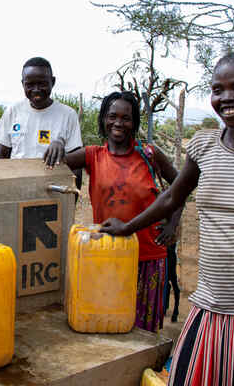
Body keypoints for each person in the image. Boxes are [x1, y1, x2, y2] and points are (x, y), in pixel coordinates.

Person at [99, 42, 234, 385]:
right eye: (218, 90)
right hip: (211, 305)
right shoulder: (204, 146)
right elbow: (173, 196)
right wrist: (128, 227)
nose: (227, 98)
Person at [46, 90, 182, 332]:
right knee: (108, 322)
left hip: (149, 254)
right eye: (112, 116)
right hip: (110, 253)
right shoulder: (93, 156)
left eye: (125, 118)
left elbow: (181, 186)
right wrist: (57, 143)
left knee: (143, 331)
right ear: (103, 120)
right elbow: (57, 162)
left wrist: (173, 224)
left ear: (134, 123)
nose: (118, 123)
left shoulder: (150, 155)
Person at [0, 56, 83, 166]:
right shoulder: (13, 111)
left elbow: (76, 163)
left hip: (52, 181)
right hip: (17, 180)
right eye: (30, 84)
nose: (36, 90)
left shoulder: (68, 115)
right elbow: (3, 155)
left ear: (52, 82)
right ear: (23, 84)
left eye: (42, 83)